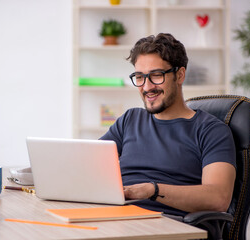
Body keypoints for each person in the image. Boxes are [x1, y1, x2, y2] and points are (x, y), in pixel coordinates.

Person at [100, 33, 236, 217]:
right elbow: (89, 163)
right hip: (114, 217)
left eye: (156, 75)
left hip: (168, 225)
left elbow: (218, 198)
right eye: (140, 77)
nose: (147, 87)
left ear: (179, 75)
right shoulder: (129, 120)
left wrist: (152, 190)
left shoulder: (211, 130)